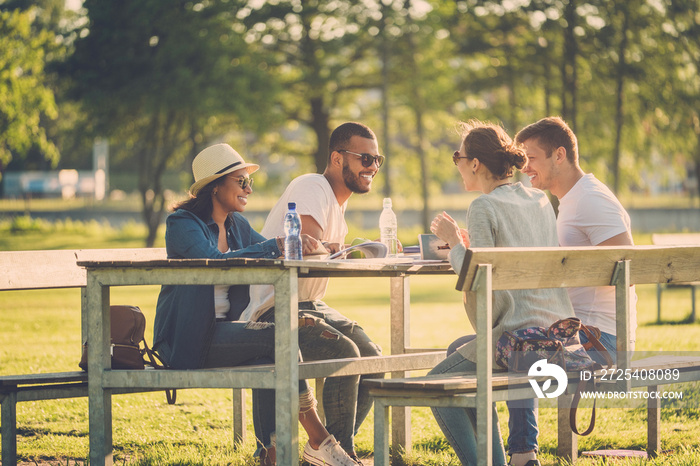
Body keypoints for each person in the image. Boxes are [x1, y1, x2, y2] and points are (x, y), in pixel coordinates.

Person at [152, 143, 358, 466]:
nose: (249, 189)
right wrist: (276, 246)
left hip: (222, 332)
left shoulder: (234, 225)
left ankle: (270, 453)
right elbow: (214, 261)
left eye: (250, 182)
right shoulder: (181, 223)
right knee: (280, 338)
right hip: (186, 340)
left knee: (272, 349)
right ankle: (318, 439)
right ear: (215, 186)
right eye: (241, 181)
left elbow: (273, 249)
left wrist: (319, 246)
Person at [428, 120, 575, 466]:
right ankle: (510, 459)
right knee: (456, 351)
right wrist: (467, 245)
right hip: (557, 332)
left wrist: (452, 240)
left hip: (518, 337)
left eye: (457, 157)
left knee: (436, 387)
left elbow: (475, 279)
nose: (458, 165)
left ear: (475, 163)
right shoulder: (539, 199)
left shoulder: (483, 206)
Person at [242, 122, 385, 464]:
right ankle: (336, 453)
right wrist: (339, 250)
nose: (372, 167)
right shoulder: (312, 186)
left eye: (377, 159)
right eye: (365, 158)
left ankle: (325, 451)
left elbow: (321, 249)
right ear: (338, 158)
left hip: (309, 303)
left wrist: (343, 249)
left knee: (373, 358)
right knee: (345, 353)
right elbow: (306, 245)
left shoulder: (336, 203)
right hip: (276, 305)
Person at [515, 116, 637, 363]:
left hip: (600, 340)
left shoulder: (591, 199)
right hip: (579, 332)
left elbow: (628, 272)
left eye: (531, 158)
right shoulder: (573, 199)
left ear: (559, 155)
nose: (524, 167)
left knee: (504, 349)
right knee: (501, 344)